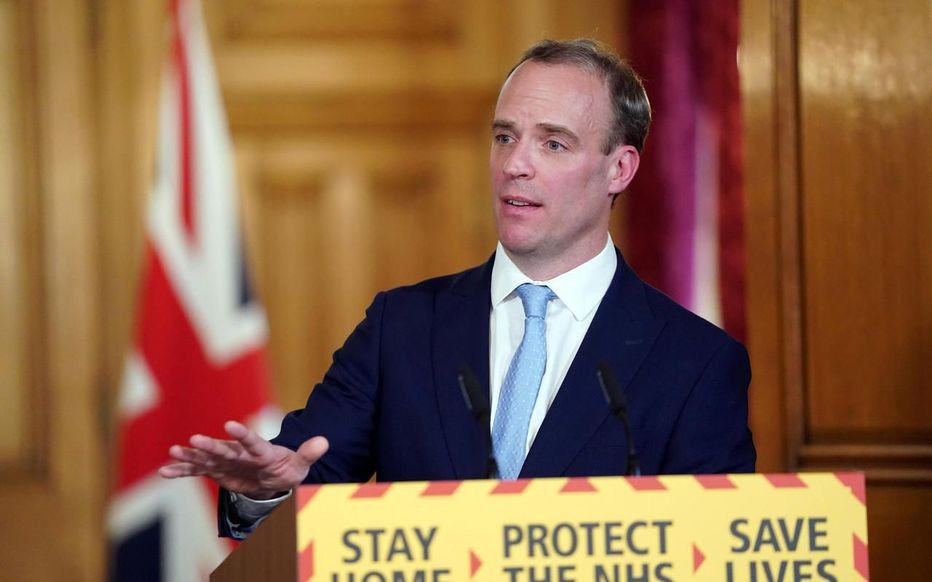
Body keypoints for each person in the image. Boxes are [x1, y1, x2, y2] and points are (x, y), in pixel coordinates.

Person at [160, 38, 755, 538]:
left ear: (618, 169)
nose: (515, 164)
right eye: (504, 137)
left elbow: (714, 549)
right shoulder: (402, 328)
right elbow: (303, 476)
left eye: (552, 143)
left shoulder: (696, 363)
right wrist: (265, 492)